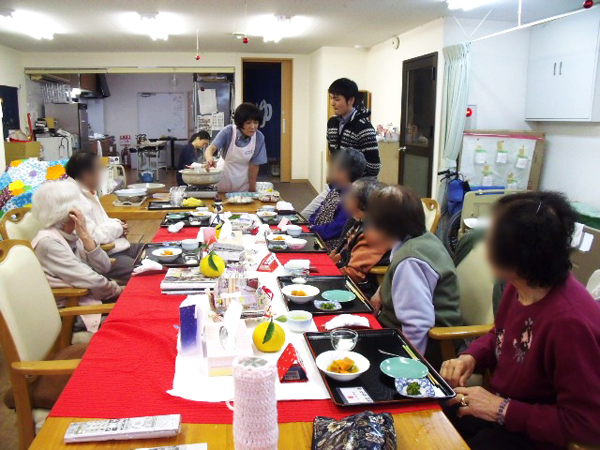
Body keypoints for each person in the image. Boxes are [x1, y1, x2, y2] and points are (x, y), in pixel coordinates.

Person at [440, 191, 600, 450]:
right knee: (436, 408)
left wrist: (501, 409)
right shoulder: (521, 285)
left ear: (518, 258)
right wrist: (471, 357)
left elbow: (586, 423)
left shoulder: (569, 323)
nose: (485, 243)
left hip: (536, 435)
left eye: (491, 238)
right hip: (505, 414)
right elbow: (500, 335)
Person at [367, 185, 462, 363]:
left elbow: (417, 326)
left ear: (387, 226)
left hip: (429, 346)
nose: (368, 228)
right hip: (400, 329)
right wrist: (381, 291)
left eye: (372, 223)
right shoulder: (419, 238)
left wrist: (407, 367)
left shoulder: (410, 262)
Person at [31, 179, 122, 332]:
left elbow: (104, 267)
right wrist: (118, 290)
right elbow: (92, 280)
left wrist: (86, 237)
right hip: (74, 310)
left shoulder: (73, 233)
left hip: (92, 298)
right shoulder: (48, 243)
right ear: (68, 212)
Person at [301, 78, 380, 218]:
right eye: (331, 98)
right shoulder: (332, 122)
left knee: (329, 224)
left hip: (355, 191)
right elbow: (334, 155)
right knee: (304, 217)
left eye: (337, 99)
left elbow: (374, 168)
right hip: (335, 185)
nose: (332, 103)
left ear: (351, 100)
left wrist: (351, 181)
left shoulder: (364, 127)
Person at [65, 152, 143, 282]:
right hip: (107, 255)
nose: (103, 173)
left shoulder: (87, 191)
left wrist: (117, 224)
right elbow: (92, 237)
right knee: (150, 273)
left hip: (120, 247)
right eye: (100, 168)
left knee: (159, 251)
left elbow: (102, 223)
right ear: (86, 174)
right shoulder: (75, 199)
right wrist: (118, 227)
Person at [329, 178, 390, 298]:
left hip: (358, 291)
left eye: (349, 194)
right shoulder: (356, 220)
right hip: (343, 273)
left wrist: (324, 275)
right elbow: (341, 252)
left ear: (357, 202)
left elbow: (354, 274)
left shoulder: (373, 232)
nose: (344, 197)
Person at [309, 148, 366, 252]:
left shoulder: (351, 197)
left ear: (343, 172)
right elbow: (320, 209)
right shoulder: (336, 187)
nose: (331, 169)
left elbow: (336, 228)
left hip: (329, 247)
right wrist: (310, 225)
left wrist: (313, 229)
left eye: (334, 166)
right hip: (316, 237)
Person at [204, 103, 267, 192]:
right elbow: (211, 148)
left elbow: (254, 165)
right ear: (240, 123)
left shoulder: (259, 137)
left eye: (256, 123)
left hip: (244, 180)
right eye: (248, 123)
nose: (253, 127)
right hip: (224, 176)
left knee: (243, 200)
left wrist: (252, 190)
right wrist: (209, 158)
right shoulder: (228, 132)